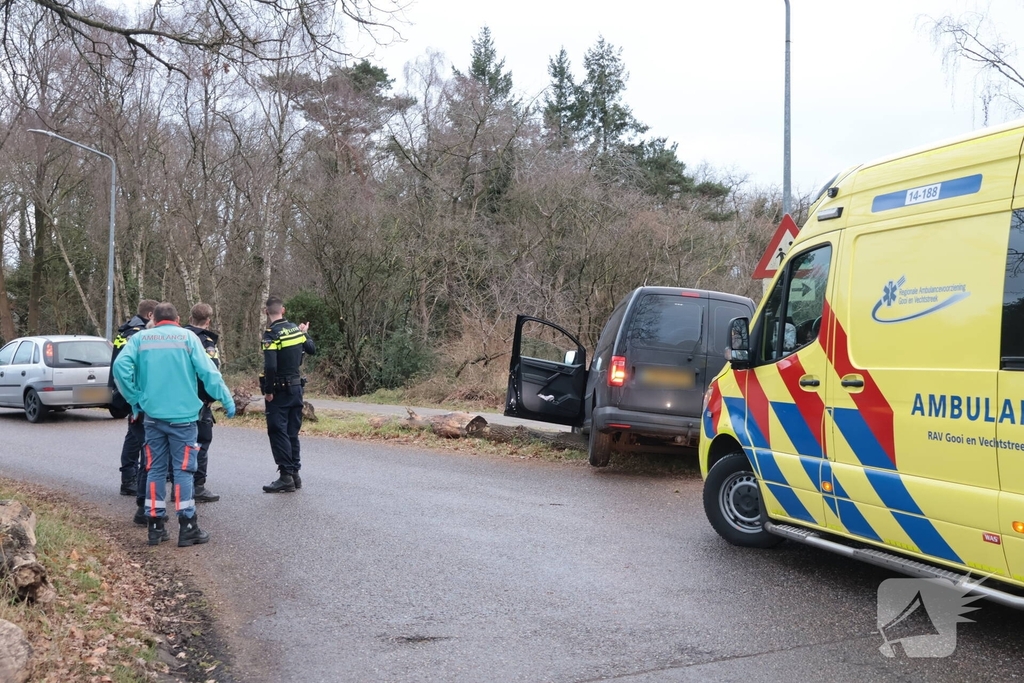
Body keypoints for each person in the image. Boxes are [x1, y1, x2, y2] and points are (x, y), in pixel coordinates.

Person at [113, 302, 236, 547]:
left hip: (153, 417)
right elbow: (208, 373)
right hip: (184, 419)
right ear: (177, 319)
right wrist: (226, 398)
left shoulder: (141, 339)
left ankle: (155, 526)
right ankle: (187, 525)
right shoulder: (188, 338)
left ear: (154, 319)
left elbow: (120, 367)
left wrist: (135, 399)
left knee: (155, 469)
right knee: (183, 471)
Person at [260, 296, 315, 493]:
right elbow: (312, 349)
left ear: (267, 312)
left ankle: (285, 476)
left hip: (280, 390)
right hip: (297, 388)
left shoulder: (271, 334)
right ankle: (295, 475)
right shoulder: (294, 329)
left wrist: (268, 390)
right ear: (282, 310)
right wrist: (305, 334)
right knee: (292, 432)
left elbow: (271, 365)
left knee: (278, 431)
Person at [110, 299, 158, 500]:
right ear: (150, 316)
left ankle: (131, 477)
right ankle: (130, 479)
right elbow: (127, 366)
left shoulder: (127, 329)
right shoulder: (138, 333)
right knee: (137, 436)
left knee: (134, 434)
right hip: (133, 391)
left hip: (128, 389)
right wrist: (134, 396)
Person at [184, 303, 223, 503]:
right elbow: (211, 372)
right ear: (208, 321)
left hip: (176, 399)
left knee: (178, 442)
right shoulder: (206, 342)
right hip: (198, 402)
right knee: (201, 441)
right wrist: (209, 399)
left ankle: (178, 484)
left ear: (190, 317)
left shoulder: (178, 336)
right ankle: (197, 486)